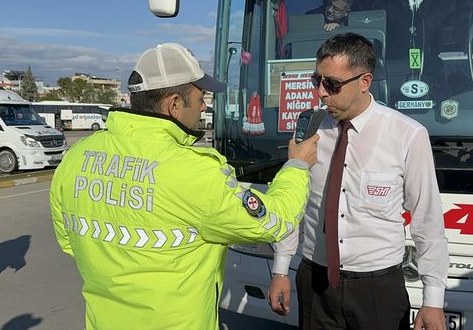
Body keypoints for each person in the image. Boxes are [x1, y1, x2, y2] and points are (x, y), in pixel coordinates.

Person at [49, 42, 319, 330]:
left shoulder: (76, 157)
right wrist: (297, 166)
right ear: (174, 104)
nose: (204, 106)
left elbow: (69, 243)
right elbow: (272, 222)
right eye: (200, 97)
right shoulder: (192, 170)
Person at [268, 33, 448, 330]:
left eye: (332, 85)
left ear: (365, 82)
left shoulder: (407, 135)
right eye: (317, 81)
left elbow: (427, 220)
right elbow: (294, 207)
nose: (321, 94)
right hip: (315, 282)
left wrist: (433, 300)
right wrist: (280, 270)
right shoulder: (311, 129)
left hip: (377, 289)